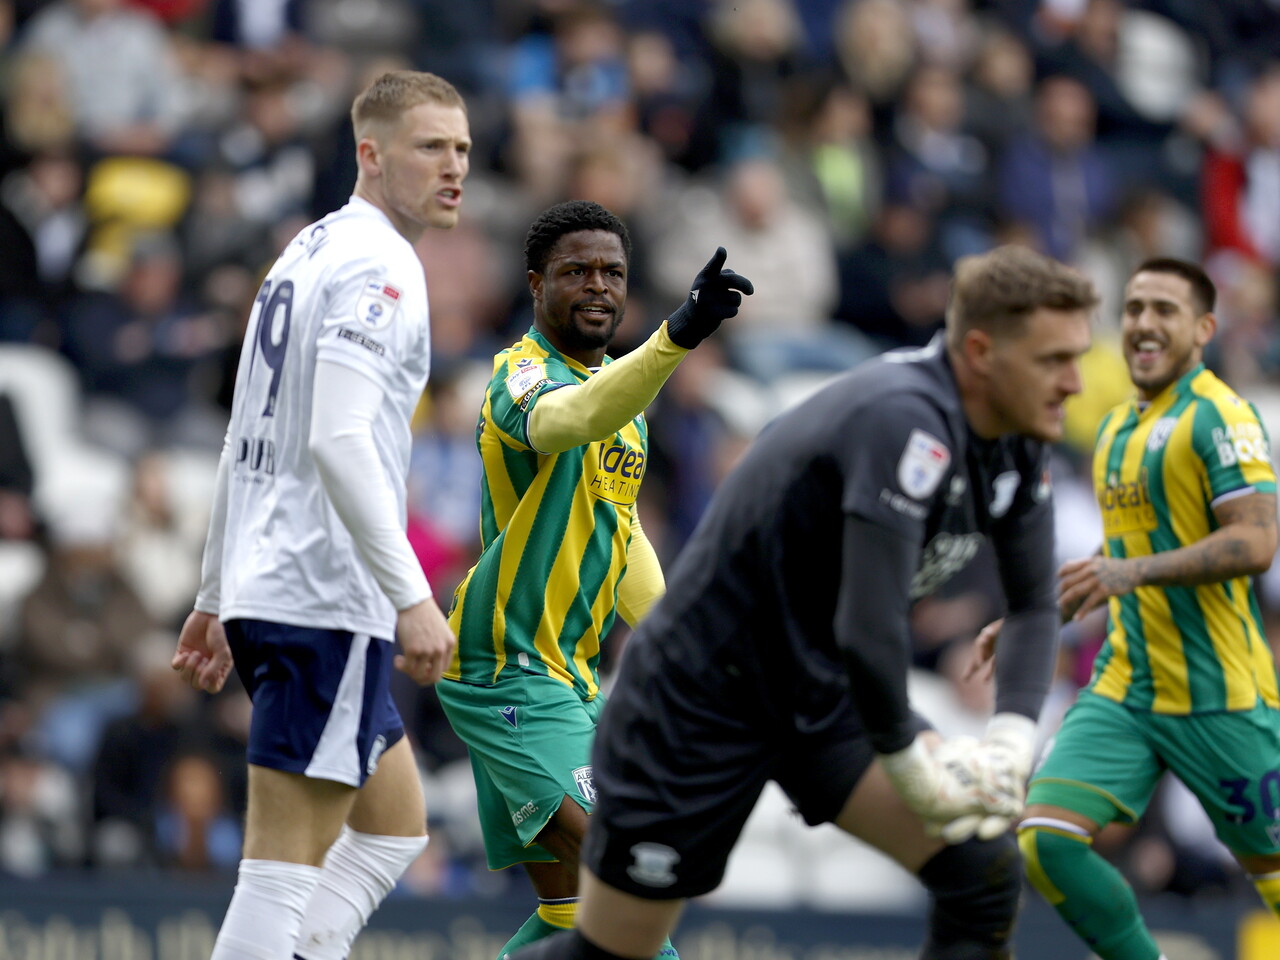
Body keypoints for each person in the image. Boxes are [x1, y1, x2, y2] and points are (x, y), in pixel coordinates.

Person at [506, 244, 1099, 960]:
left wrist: (1010, 740)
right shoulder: (905, 420)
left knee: (982, 872)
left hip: (820, 691)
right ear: (980, 352)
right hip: (700, 698)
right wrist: (913, 766)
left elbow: (1034, 606)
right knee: (613, 956)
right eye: (1053, 360)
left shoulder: (1019, 435)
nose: (1075, 382)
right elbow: (870, 627)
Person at [169, 70, 468, 960]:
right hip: (323, 598)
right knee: (278, 872)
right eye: (429, 147)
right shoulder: (383, 267)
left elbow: (243, 436)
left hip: (274, 585)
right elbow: (338, 440)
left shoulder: (306, 251)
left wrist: (216, 594)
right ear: (369, 154)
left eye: (461, 148)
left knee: (393, 830)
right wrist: (412, 595)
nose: (454, 167)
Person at [436, 198, 753, 960]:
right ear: (536, 283)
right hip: (506, 664)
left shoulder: (622, 394)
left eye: (612, 272)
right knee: (626, 877)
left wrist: (681, 640)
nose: (598, 286)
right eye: (576, 272)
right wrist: (677, 336)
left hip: (569, 676)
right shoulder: (517, 377)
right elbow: (567, 421)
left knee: (571, 912)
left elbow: (623, 531)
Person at [978, 258, 1280, 960]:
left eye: (1165, 309)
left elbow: (1258, 542)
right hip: (1127, 688)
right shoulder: (1116, 428)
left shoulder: (1222, 416)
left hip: (1218, 696)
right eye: (1136, 307)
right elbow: (1112, 562)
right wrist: (1032, 619)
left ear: (1203, 329)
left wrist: (1133, 571)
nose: (1145, 322)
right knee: (1047, 841)